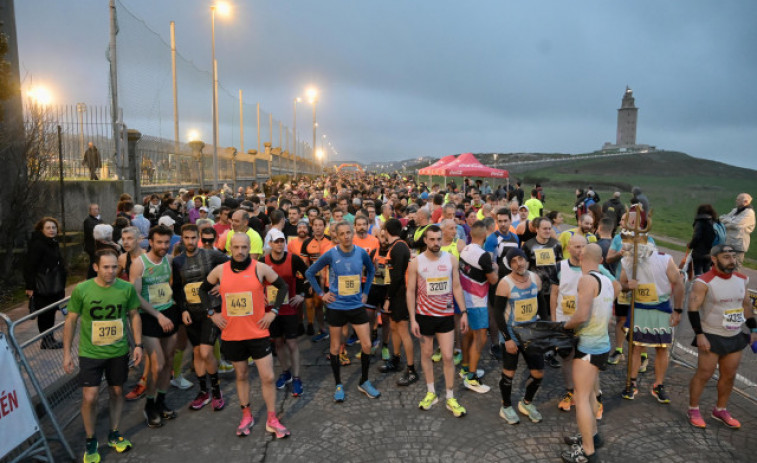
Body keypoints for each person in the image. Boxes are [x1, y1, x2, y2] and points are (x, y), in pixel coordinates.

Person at [199, 233, 291, 438]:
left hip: (258, 332)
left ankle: (272, 418)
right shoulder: (220, 271)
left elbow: (282, 286)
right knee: (241, 375)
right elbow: (202, 290)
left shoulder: (259, 268)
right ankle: (246, 415)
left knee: (267, 376)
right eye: (236, 247)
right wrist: (212, 314)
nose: (240, 251)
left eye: (244, 247)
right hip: (232, 334)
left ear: (250, 247)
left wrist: (273, 312)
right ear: (230, 248)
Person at [63, 249, 143, 463]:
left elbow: (134, 315)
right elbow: (70, 321)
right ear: (96, 267)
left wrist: (138, 345)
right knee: (90, 397)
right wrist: (66, 354)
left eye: (114, 266)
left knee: (117, 392)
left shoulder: (126, 288)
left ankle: (114, 432)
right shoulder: (82, 289)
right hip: (91, 353)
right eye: (106, 267)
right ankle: (91, 440)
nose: (111, 271)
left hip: (118, 351)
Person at [305, 220, 380, 401]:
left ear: (352, 233)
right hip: (336, 307)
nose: (346, 236)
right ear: (336, 237)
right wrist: (322, 294)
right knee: (335, 347)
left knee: (367, 345)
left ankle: (364, 380)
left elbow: (371, 271)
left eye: (349, 232)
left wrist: (366, 293)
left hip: (356, 305)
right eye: (342, 234)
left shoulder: (361, 253)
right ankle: (338, 384)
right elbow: (310, 272)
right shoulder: (331, 254)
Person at [686, 244, 757, 429]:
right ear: (714, 259)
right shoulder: (704, 282)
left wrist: (754, 330)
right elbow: (693, 309)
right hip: (711, 335)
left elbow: (747, 305)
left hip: (734, 335)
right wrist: (699, 334)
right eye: (726, 257)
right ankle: (693, 409)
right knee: (704, 374)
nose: (732, 260)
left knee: (729, 375)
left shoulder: (742, 279)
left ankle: (720, 409)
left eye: (734, 256)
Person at [561, 244, 620, 463]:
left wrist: (564, 327)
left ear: (582, 256)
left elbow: (581, 315)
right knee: (593, 394)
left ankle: (587, 451)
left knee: (581, 397)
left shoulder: (586, 280)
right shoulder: (606, 280)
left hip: (588, 346)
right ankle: (592, 436)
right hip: (602, 344)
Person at [407, 225, 468, 417]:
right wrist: (412, 319)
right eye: (431, 239)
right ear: (425, 240)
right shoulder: (416, 262)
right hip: (424, 316)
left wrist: (464, 312)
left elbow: (457, 287)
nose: (435, 243)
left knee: (448, 356)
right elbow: (410, 291)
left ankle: (450, 396)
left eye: (438, 239)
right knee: (426, 354)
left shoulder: (450, 260)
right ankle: (431, 392)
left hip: (445, 315)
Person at [172, 224, 228, 411]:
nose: (190, 241)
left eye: (193, 237)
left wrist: (221, 284)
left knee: (206, 352)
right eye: (186, 238)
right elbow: (178, 288)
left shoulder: (210, 255)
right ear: (182, 239)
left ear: (198, 238)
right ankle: (204, 392)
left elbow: (231, 264)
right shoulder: (177, 261)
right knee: (197, 352)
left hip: (211, 310)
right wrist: (183, 310)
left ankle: (217, 391)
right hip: (191, 312)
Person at [619, 240, 684, 402]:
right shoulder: (627, 260)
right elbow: (622, 283)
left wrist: (677, 310)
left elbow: (678, 283)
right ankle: (631, 383)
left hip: (660, 309)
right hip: (639, 308)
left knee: (662, 348)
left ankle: (658, 385)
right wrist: (628, 286)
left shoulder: (664, 259)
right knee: (635, 347)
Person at [129, 225, 180, 428]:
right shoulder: (139, 264)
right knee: (157, 364)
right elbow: (136, 296)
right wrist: (158, 315)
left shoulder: (168, 261)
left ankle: (161, 400)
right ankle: (149, 405)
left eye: (166, 242)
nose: (163, 246)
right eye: (159, 242)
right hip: (150, 317)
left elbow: (170, 286)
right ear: (150, 242)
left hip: (169, 314)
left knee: (168, 362)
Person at [493, 248, 544, 425]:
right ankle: (506, 406)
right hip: (512, 335)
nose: (518, 263)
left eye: (520, 259)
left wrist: (544, 329)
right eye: (513, 261)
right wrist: (506, 339)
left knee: (538, 373)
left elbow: (542, 305)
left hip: (530, 334)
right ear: (510, 265)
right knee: (509, 373)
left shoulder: (535, 278)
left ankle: (526, 403)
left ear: (526, 260)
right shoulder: (505, 283)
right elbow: (498, 313)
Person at [265, 229, 308, 398]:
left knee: (292, 343)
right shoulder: (264, 261)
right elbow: (257, 281)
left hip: (289, 308)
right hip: (272, 310)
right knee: (278, 343)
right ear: (270, 244)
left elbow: (308, 275)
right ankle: (286, 372)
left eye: (282, 241)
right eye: (276, 241)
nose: (279, 244)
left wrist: (302, 295)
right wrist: (260, 296)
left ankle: (297, 377)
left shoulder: (293, 259)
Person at [375, 219, 417, 385]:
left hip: (401, 295)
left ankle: (411, 369)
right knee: (393, 326)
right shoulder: (395, 246)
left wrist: (388, 299)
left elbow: (397, 277)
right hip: (396, 293)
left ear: (386, 230)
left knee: (402, 330)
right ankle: (396, 359)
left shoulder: (399, 247)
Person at [458, 220, 498, 393]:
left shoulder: (465, 249)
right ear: (484, 235)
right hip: (478, 301)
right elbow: (494, 280)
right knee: (480, 337)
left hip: (465, 299)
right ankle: (472, 378)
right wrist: (494, 267)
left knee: (468, 335)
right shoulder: (483, 256)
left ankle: (466, 367)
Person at [24, 217, 67, 349]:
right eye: (48, 228)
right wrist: (30, 287)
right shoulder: (38, 244)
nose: (51, 230)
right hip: (42, 286)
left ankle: (50, 339)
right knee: (45, 314)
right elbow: (29, 266)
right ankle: (46, 341)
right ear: (41, 229)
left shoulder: (52, 242)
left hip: (53, 285)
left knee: (51, 312)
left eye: (53, 227)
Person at [301, 216, 334, 341]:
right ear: (312, 227)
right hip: (314, 278)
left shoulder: (330, 241)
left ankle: (334, 331)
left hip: (328, 279)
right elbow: (306, 265)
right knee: (317, 305)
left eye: (321, 225)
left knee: (331, 306)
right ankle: (322, 329)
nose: (318, 227)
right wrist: (309, 282)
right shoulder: (307, 243)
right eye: (315, 225)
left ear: (324, 227)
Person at [719, 193, 755, 270]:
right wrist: (730, 221)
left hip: (738, 244)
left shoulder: (749, 213)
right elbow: (721, 218)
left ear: (745, 201)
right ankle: (728, 281)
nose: (736, 201)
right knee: (726, 265)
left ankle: (736, 282)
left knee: (735, 266)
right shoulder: (735, 210)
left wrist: (728, 222)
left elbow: (736, 225)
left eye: (738, 200)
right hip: (728, 242)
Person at [688, 204, 718, 276]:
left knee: (698, 273)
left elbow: (696, 237)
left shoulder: (700, 222)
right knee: (707, 273)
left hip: (699, 252)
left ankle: (698, 285)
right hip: (710, 252)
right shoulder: (714, 222)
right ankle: (707, 286)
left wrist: (690, 245)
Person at [84, 204, 103, 279]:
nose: (95, 211)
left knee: (96, 262)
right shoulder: (88, 220)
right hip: (92, 246)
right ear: (90, 211)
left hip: (98, 246)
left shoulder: (100, 219)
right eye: (93, 209)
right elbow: (93, 232)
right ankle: (90, 278)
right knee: (93, 262)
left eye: (96, 209)